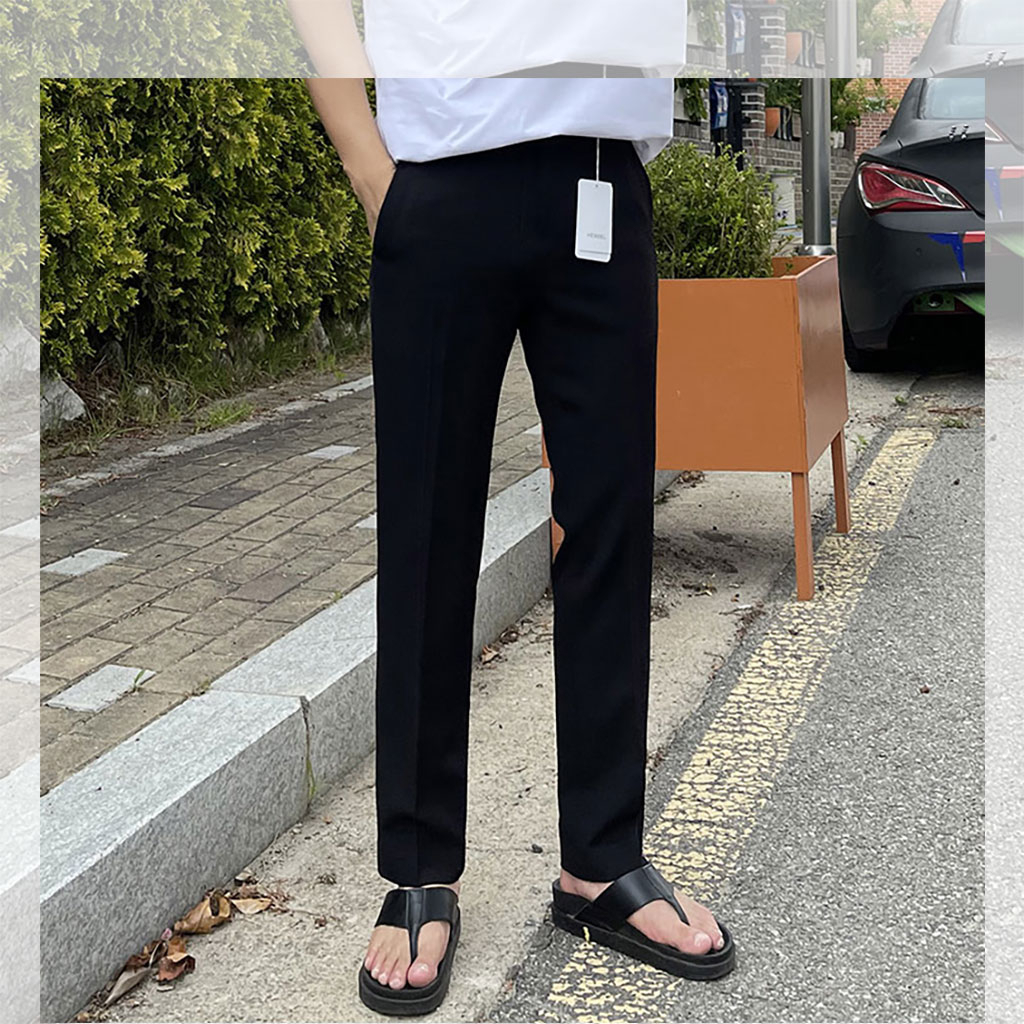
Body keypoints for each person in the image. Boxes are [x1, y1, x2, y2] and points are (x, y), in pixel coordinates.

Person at [304, 76, 737, 1016]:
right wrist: (370, 168)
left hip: (601, 177)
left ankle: (601, 861)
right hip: (441, 175)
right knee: (426, 531)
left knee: (611, 520)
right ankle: (420, 865)